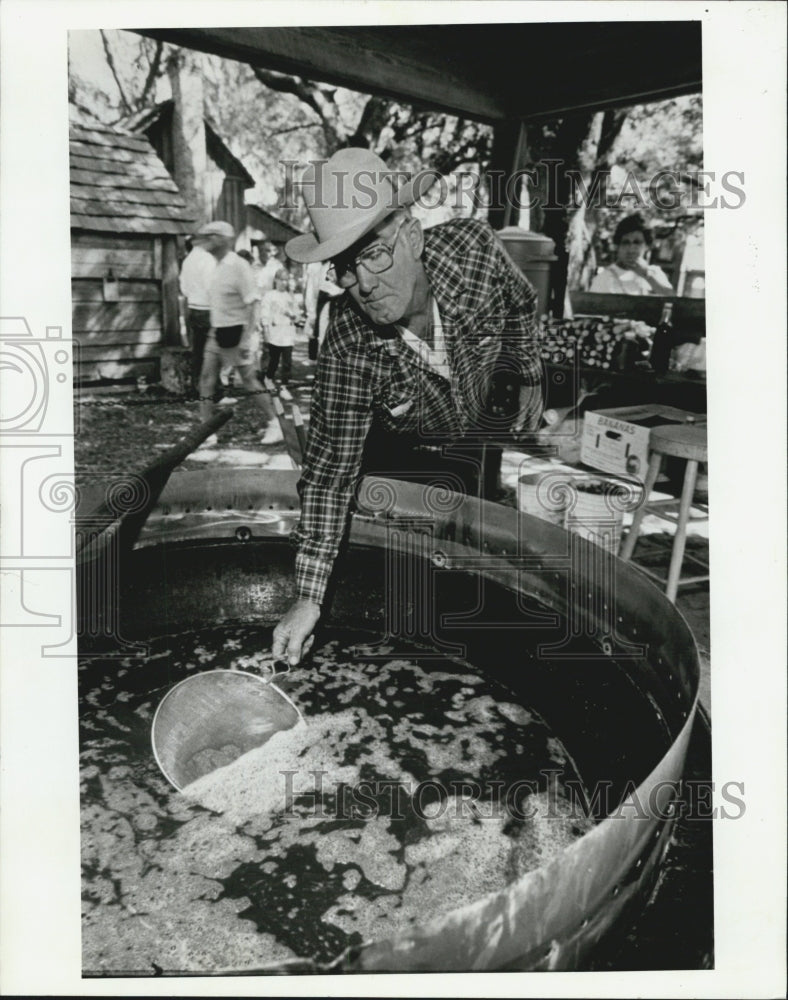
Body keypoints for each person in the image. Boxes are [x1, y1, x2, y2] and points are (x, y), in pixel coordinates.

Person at [272, 148, 543, 666]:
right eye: (345, 268)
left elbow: (521, 302)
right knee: (401, 583)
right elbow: (330, 474)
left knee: (474, 563)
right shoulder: (348, 341)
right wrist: (308, 596)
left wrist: (528, 369)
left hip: (477, 427)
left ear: (413, 237)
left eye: (374, 254)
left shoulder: (474, 251)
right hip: (402, 449)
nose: (364, 285)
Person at [196, 221, 283, 446]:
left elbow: (253, 304)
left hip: (237, 334)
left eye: (211, 236)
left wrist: (246, 340)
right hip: (218, 332)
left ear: (223, 239)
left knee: (250, 381)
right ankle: (206, 430)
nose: (206, 240)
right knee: (206, 380)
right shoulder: (216, 265)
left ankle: (275, 423)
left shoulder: (238, 265)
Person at [590, 215, 674, 295]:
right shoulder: (604, 278)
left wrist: (646, 275)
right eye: (625, 243)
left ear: (646, 246)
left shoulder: (655, 273)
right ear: (618, 246)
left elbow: (674, 301)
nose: (631, 249)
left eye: (637, 242)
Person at [179, 231, 216, 392]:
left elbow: (184, 288)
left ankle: (196, 387)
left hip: (193, 309)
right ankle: (215, 392)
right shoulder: (207, 259)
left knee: (198, 351)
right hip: (208, 309)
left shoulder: (188, 260)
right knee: (212, 351)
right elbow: (211, 287)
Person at [260, 267, 298, 399]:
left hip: (287, 334)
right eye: (281, 280)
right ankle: (268, 378)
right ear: (276, 280)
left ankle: (284, 387)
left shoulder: (290, 297)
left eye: (286, 280)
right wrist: (266, 329)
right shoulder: (270, 295)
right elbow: (265, 313)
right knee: (274, 360)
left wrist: (292, 314)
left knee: (287, 362)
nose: (284, 283)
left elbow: (297, 316)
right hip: (275, 334)